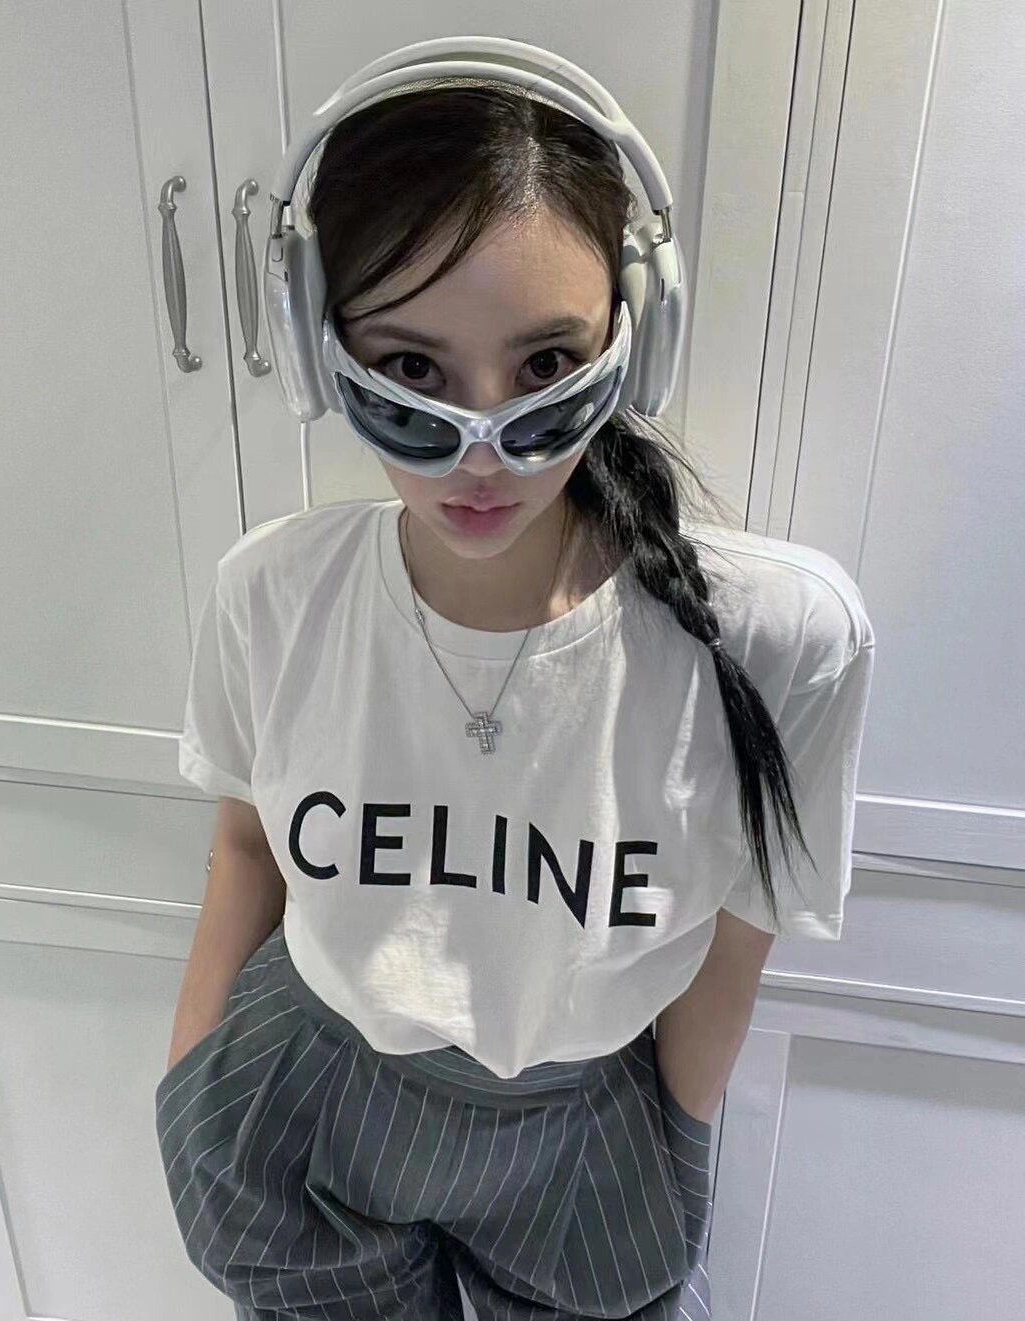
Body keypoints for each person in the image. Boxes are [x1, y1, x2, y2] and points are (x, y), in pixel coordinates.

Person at [154, 62, 875, 1321]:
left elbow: (746, 924)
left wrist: (673, 1140)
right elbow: (247, 842)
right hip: (303, 1098)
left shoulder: (778, 637)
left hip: (587, 1130)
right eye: (412, 370)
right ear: (322, 351)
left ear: (637, 338)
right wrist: (194, 1080)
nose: (481, 447)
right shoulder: (272, 591)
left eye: (546, 362)